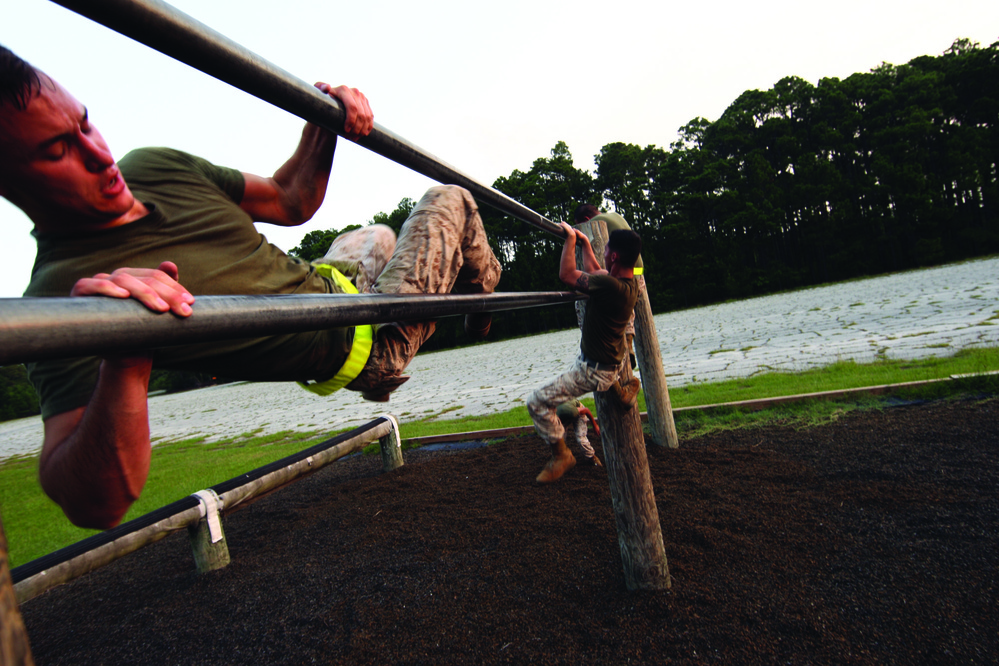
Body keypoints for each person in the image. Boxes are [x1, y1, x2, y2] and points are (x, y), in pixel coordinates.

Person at [0, 46, 501, 529]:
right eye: (58, 149)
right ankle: (481, 300)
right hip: (365, 340)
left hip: (334, 285)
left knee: (375, 236)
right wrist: (124, 350)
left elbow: (289, 199)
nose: (96, 153)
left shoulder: (153, 165)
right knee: (450, 198)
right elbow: (94, 504)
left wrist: (326, 120)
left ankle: (444, 288)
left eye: (84, 122)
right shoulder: (59, 295)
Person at [526, 222, 642, 483]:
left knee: (537, 401)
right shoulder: (627, 282)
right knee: (604, 375)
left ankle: (561, 454)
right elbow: (596, 271)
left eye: (605, 250)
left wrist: (568, 238)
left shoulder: (610, 286)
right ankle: (623, 395)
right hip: (608, 360)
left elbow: (567, 275)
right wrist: (587, 244)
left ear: (613, 256)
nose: (603, 255)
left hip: (593, 369)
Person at [555, 399, 602, 466]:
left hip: (579, 412)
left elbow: (586, 410)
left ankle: (592, 457)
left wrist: (595, 425)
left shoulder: (569, 411)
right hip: (563, 416)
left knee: (581, 439)